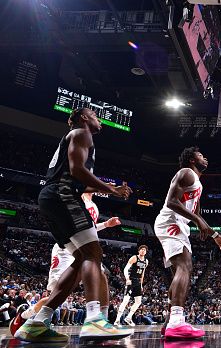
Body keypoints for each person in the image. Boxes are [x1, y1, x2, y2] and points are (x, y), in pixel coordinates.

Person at [15, 108, 133, 343]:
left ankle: (36, 323)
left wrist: (107, 188)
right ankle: (94, 320)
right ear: (83, 118)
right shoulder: (82, 133)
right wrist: (112, 189)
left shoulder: (77, 137)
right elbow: (77, 171)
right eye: (95, 115)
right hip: (63, 194)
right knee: (93, 254)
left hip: (52, 197)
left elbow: (82, 179)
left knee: (81, 259)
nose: (99, 119)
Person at [11, 192, 121, 336]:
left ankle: (102, 322)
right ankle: (25, 316)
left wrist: (106, 224)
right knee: (57, 294)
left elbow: (89, 227)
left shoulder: (92, 203)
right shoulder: (76, 193)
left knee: (101, 275)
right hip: (66, 248)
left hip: (83, 244)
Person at [154, 146, 221, 340]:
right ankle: (176, 323)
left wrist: (214, 235)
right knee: (185, 266)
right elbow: (171, 201)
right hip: (171, 221)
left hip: (178, 224)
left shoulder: (197, 183)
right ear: (192, 160)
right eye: (200, 155)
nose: (205, 158)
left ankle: (168, 322)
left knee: (178, 272)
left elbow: (197, 215)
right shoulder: (186, 173)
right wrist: (198, 222)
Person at [114, 245, 149, 326]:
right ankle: (117, 320)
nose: (143, 251)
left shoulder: (146, 261)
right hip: (131, 280)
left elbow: (142, 273)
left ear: (146, 252)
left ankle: (128, 318)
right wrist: (127, 279)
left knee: (138, 302)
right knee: (125, 301)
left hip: (137, 282)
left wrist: (141, 284)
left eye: (144, 250)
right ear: (139, 251)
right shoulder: (134, 258)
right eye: (141, 249)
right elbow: (126, 269)